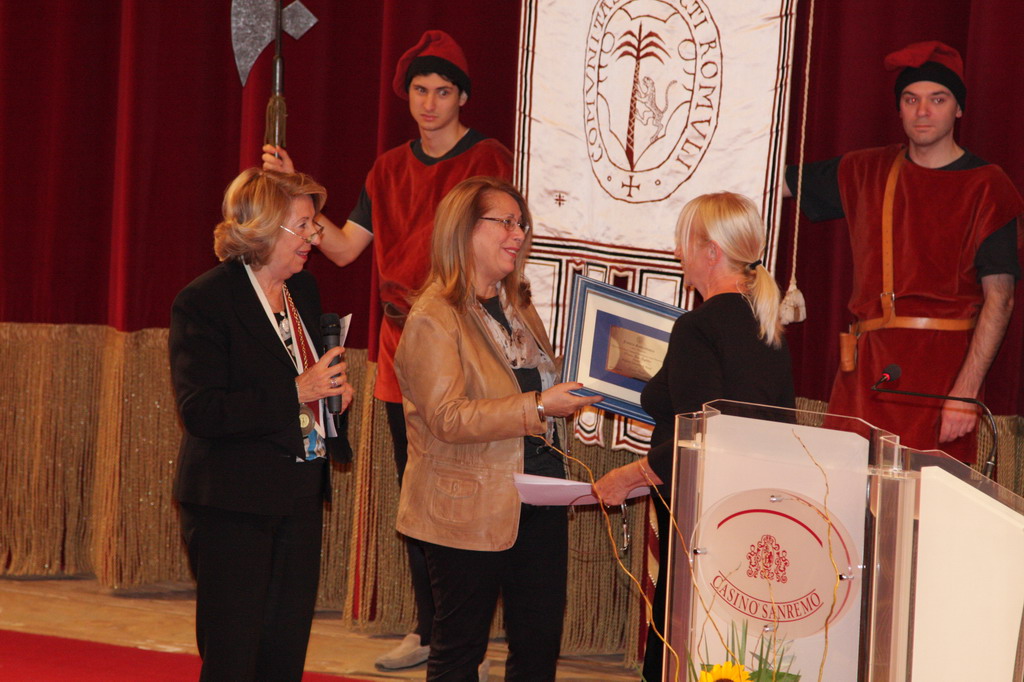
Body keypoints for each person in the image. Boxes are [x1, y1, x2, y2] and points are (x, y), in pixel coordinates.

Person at [262, 29, 513, 670]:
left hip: (466, 340)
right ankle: (430, 631)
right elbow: (346, 248)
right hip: (402, 345)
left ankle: (466, 638)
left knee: (471, 487)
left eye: (442, 92)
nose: (429, 103)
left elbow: (499, 246)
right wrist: (297, 190)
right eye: (420, 91)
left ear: (462, 98)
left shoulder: (488, 158)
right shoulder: (387, 168)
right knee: (418, 489)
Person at [393, 176, 601, 681]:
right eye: (505, 222)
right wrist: (539, 405)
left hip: (539, 497)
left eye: (521, 224)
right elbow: (447, 417)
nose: (518, 234)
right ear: (464, 229)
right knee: (460, 652)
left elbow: (536, 384)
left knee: (538, 647)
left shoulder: (517, 306)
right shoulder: (435, 315)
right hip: (468, 507)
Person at [784, 40, 1024, 461]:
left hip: (940, 374)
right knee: (841, 487)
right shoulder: (866, 169)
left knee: (925, 493)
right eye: (911, 99)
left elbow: (1000, 299)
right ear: (899, 108)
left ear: (959, 109)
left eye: (938, 99)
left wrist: (966, 392)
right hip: (866, 371)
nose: (923, 111)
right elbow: (775, 182)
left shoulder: (989, 187)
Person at [593, 192, 795, 681]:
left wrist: (629, 476)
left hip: (701, 517)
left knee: (682, 641)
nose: (676, 253)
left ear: (711, 252)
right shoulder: (764, 324)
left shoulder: (699, 327)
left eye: (682, 242)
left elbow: (702, 436)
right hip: (750, 509)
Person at [169, 168, 354, 681]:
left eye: (314, 226)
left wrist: (333, 398)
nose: (314, 238)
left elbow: (305, 381)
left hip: (299, 494)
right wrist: (298, 391)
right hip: (232, 503)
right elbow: (202, 411)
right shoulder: (205, 300)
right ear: (266, 228)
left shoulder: (303, 291)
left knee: (284, 652)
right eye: (304, 226)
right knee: (233, 655)